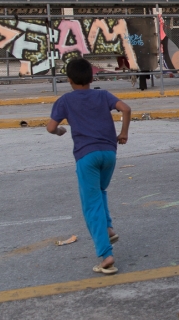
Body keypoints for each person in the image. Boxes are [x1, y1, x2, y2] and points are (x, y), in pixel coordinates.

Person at [46, 57, 131, 275]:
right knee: (100, 191)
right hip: (109, 153)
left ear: (69, 80)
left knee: (90, 204)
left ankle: (106, 255)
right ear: (92, 78)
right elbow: (126, 109)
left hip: (87, 157)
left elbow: (50, 127)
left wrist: (60, 131)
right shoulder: (103, 95)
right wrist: (123, 133)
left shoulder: (65, 100)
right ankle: (108, 227)